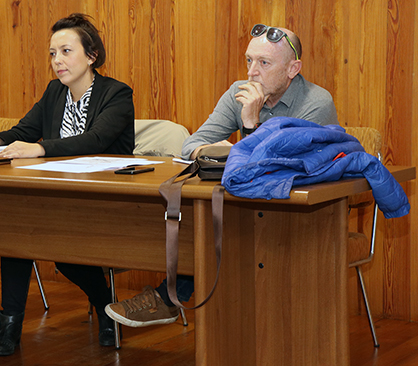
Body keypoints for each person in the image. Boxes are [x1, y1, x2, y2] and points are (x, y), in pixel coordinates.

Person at [105, 23, 339, 328]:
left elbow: (277, 168)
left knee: (220, 224)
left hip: (304, 213)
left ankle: (168, 300)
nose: (252, 72)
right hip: (250, 206)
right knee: (202, 218)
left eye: (264, 63)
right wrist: (216, 151)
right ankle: (170, 300)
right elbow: (192, 144)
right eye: (249, 60)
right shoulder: (238, 92)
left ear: (292, 69)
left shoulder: (316, 102)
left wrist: (250, 125)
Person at [0, 13, 134, 356]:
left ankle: (106, 306)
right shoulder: (55, 92)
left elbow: (96, 139)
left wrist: (40, 149)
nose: (57, 60)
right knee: (18, 234)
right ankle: (10, 325)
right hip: (58, 196)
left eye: (66, 51)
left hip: (105, 199)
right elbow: (25, 131)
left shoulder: (116, 93)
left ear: (92, 55)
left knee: (64, 253)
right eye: (53, 53)